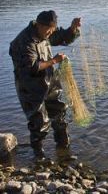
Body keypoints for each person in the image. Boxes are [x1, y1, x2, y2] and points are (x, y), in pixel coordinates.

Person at [9, 10, 81, 161]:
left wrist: (73, 28)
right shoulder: (24, 41)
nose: (51, 33)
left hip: (49, 81)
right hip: (30, 87)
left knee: (60, 113)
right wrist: (54, 61)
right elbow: (31, 67)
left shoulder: (45, 33)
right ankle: (39, 156)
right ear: (39, 25)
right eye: (49, 29)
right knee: (39, 122)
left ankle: (64, 150)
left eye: (53, 29)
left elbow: (61, 37)